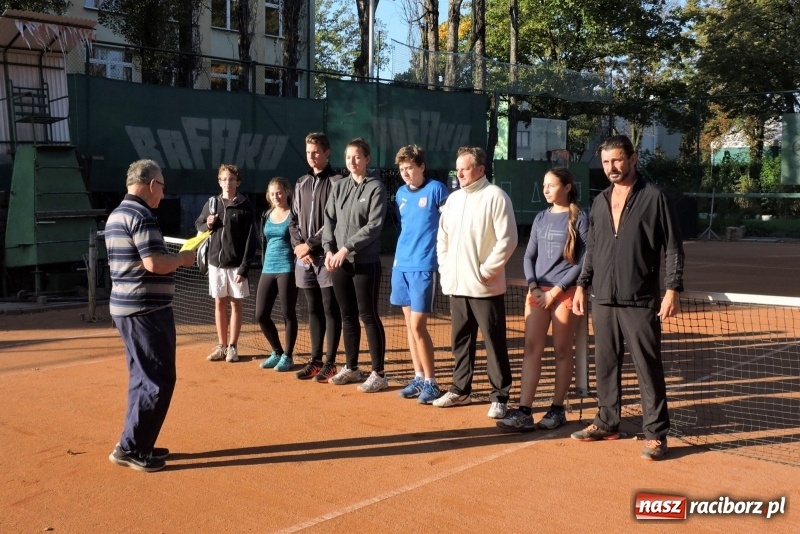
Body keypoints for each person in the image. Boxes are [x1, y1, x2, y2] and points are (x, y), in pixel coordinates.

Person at [571, 134, 684, 461]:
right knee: (605, 364)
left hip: (640, 299)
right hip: (603, 298)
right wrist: (582, 284)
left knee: (648, 368)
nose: (612, 167)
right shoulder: (602, 200)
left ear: (633, 159)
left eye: (618, 160)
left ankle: (656, 434)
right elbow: (592, 249)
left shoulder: (655, 197)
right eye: (606, 162)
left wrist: (672, 288)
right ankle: (607, 421)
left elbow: (674, 247)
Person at [105, 159, 196, 472]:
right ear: (152, 184)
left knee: (142, 378)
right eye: (163, 186)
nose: (163, 193)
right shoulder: (141, 215)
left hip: (127, 308)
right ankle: (134, 448)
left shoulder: (118, 213)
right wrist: (183, 258)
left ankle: (133, 443)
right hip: (146, 310)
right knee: (158, 378)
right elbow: (155, 263)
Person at [497, 168, 588, 432]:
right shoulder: (540, 218)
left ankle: (557, 409)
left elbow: (583, 261)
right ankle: (524, 411)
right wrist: (534, 286)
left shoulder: (580, 218)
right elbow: (528, 257)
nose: (546, 190)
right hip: (538, 293)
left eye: (551, 185)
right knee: (531, 349)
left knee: (561, 351)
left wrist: (556, 290)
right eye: (544, 185)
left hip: (565, 293)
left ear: (568, 187)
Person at [434, 146, 518, 418]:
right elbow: (443, 238)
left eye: (465, 167)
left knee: (494, 342)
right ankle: (461, 390)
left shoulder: (496, 197)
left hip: (485, 287)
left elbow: (508, 240)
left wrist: (487, 271)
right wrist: (446, 268)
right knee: (460, 340)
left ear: (480, 169)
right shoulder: (454, 200)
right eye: (457, 168)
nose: (459, 173)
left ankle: (500, 397)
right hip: (456, 286)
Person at [322, 137, 388, 392]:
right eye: (349, 157)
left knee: (367, 315)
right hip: (339, 262)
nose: (352, 161)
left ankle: (379, 373)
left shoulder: (376, 188)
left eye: (357, 157)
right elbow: (328, 219)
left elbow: (373, 226)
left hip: (364, 262)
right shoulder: (339, 187)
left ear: (367, 159)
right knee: (347, 315)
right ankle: (351, 367)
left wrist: (346, 248)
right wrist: (329, 250)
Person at [391, 145, 449, 404]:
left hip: (424, 265)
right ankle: (418, 377)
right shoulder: (400, 193)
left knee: (418, 326)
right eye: (402, 169)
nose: (405, 173)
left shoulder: (437, 189)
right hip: (400, 265)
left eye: (410, 168)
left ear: (421, 167)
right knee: (409, 326)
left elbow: (449, 224)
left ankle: (432, 382)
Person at [288, 133, 343, 383]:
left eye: (316, 152)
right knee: (312, 309)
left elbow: (334, 221)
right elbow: (294, 220)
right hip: (305, 259)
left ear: (327, 152)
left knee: (330, 309)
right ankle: (316, 359)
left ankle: (331, 362)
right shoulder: (300, 183)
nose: (311, 156)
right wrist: (299, 246)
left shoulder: (337, 182)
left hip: (326, 257)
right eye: (308, 152)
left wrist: (309, 245)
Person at [195, 164, 257, 363]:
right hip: (215, 264)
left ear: (237, 182)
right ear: (219, 181)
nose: (227, 183)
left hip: (237, 265)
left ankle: (232, 346)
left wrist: (245, 267)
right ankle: (221, 345)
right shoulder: (212, 203)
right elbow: (199, 224)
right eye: (223, 179)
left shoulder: (245, 206)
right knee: (219, 303)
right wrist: (208, 224)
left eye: (231, 179)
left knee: (235, 304)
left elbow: (251, 239)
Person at [257, 177, 299, 372]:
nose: (276, 196)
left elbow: (298, 239)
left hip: (287, 269)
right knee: (261, 314)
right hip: (268, 268)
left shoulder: (294, 215)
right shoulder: (266, 214)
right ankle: (277, 351)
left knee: (287, 313)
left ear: (287, 192)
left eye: (279, 192)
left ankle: (288, 357)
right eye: (272, 193)